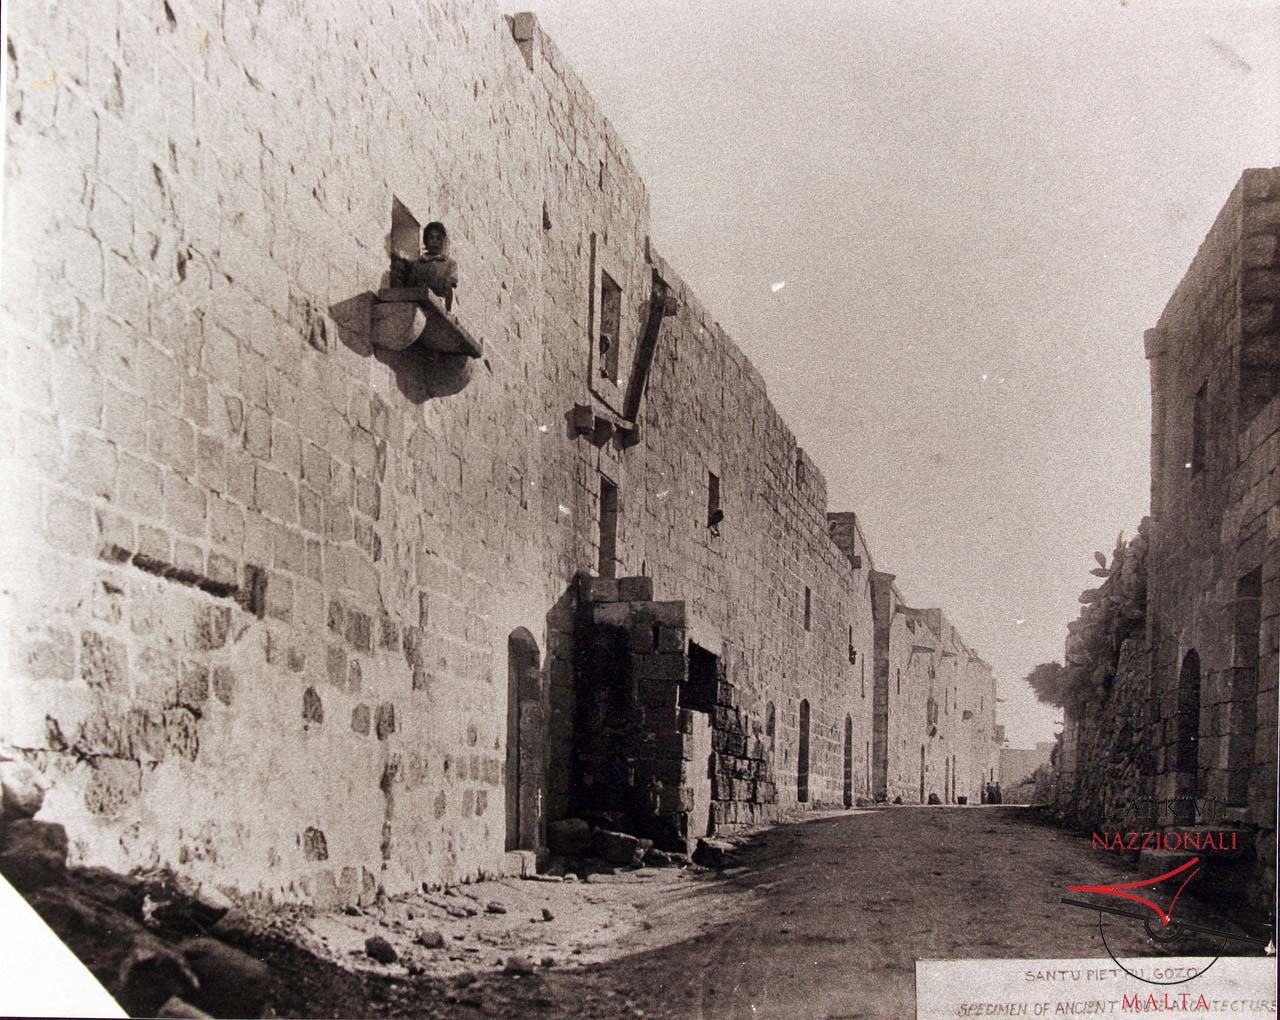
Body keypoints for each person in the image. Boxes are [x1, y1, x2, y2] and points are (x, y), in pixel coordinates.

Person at [409, 221, 459, 311]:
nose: (435, 241)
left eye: (438, 238)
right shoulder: (417, 264)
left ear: (443, 242)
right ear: (426, 241)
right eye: (431, 238)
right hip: (419, 307)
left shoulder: (450, 264)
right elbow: (411, 288)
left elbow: (449, 290)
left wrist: (447, 311)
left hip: (439, 308)